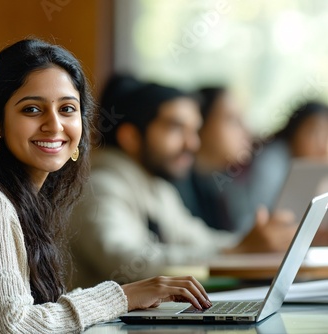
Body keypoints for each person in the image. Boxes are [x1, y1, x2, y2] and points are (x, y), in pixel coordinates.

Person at [0, 39, 212, 334]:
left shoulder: (30, 200)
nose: (54, 125)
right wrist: (124, 296)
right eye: (32, 110)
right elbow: (10, 326)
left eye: (68, 109)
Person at [68, 75, 297, 289]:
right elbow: (127, 261)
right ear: (131, 137)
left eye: (194, 130)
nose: (192, 144)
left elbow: (200, 241)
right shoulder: (100, 186)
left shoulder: (156, 187)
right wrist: (236, 251)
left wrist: (257, 243)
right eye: (176, 128)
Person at [226, 101, 328, 231]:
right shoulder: (272, 161)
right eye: (314, 132)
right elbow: (257, 216)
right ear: (295, 131)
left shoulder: (311, 166)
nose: (322, 145)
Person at [173, 87, 254, 233]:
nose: (246, 130)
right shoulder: (176, 189)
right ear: (200, 124)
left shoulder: (225, 184)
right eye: (232, 120)